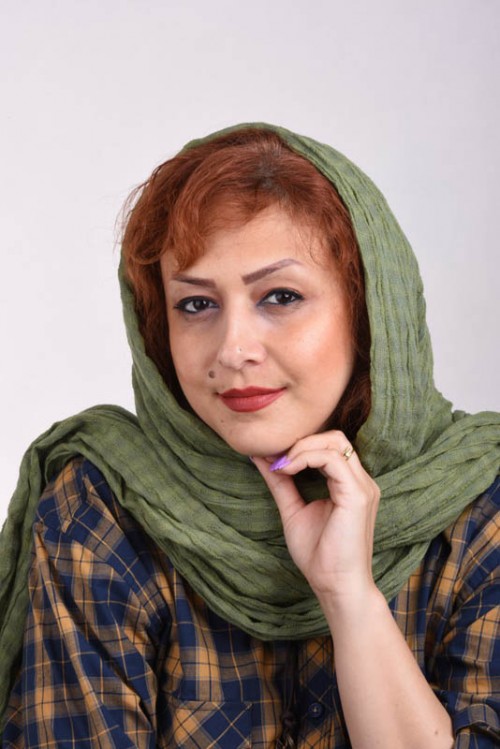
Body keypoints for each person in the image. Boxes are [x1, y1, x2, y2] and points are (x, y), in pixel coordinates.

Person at [0, 123, 499, 748]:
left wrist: (350, 596)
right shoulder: (106, 507)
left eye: (280, 296)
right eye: (196, 305)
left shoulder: (477, 509)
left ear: (369, 312)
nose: (233, 350)